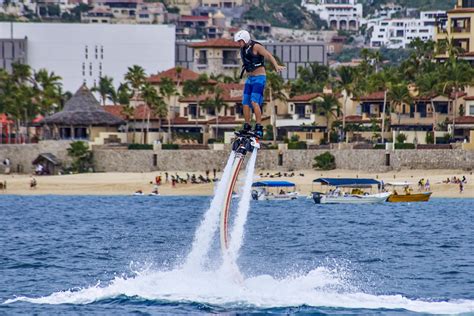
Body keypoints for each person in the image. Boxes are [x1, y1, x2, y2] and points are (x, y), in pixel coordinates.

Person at [234, 30, 286, 138]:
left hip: (259, 78)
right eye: (238, 42)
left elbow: (268, 55)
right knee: (245, 102)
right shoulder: (243, 49)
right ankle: (247, 126)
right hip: (250, 79)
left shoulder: (256, 47)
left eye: (240, 41)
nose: (239, 43)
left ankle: (258, 127)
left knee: (254, 101)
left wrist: (276, 66)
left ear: (245, 39)